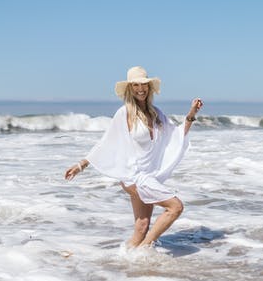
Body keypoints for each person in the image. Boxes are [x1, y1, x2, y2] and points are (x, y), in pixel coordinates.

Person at [64, 66, 203, 248]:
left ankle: (126, 260)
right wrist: (81, 165)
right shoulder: (125, 113)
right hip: (134, 176)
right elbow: (106, 142)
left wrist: (192, 114)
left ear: (149, 87)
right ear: (130, 88)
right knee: (175, 207)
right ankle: (144, 249)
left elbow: (176, 135)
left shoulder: (156, 113)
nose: (140, 89)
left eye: (144, 84)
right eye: (136, 85)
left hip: (149, 175)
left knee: (142, 225)